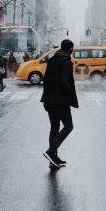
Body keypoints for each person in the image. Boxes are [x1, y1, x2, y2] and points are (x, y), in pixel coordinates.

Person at [41, 39, 79, 168]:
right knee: (69, 126)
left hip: (49, 100)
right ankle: (51, 151)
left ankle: (53, 160)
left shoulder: (51, 60)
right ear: (70, 49)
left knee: (54, 128)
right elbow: (65, 82)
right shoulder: (66, 62)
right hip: (60, 101)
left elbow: (46, 79)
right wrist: (69, 96)